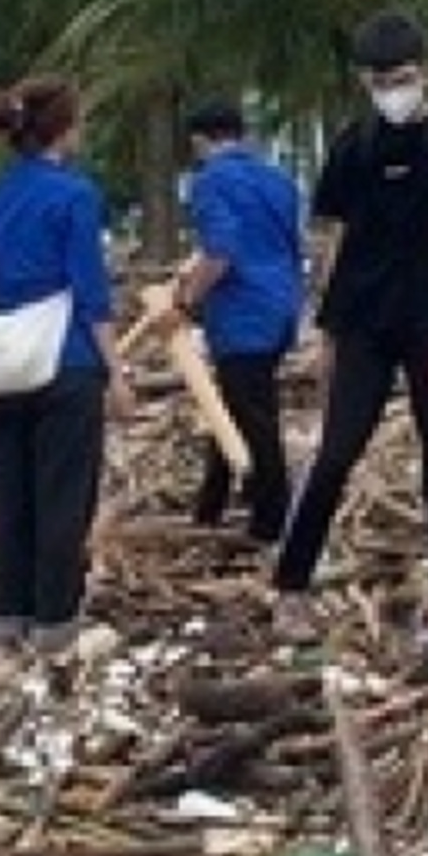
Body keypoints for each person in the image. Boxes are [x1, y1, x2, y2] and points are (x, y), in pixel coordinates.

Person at [276, 17, 428, 635]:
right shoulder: (354, 146)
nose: (393, 91)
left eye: (402, 79)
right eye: (381, 82)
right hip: (364, 324)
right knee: (334, 452)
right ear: (365, 82)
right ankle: (290, 585)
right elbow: (337, 240)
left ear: (426, 73)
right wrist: (326, 331)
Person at [0, 76, 129, 652]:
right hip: (67, 360)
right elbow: (89, 289)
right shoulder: (74, 195)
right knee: (63, 493)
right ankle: (55, 620)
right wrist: (115, 369)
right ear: (63, 129)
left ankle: (2, 614)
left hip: (4, 362)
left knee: (7, 492)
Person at [173, 99, 305, 548]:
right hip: (281, 304)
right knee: (232, 405)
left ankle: (272, 515)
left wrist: (188, 298)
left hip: (242, 312)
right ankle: (212, 502)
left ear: (200, 140)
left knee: (252, 414)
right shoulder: (277, 179)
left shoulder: (210, 181)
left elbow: (221, 252)